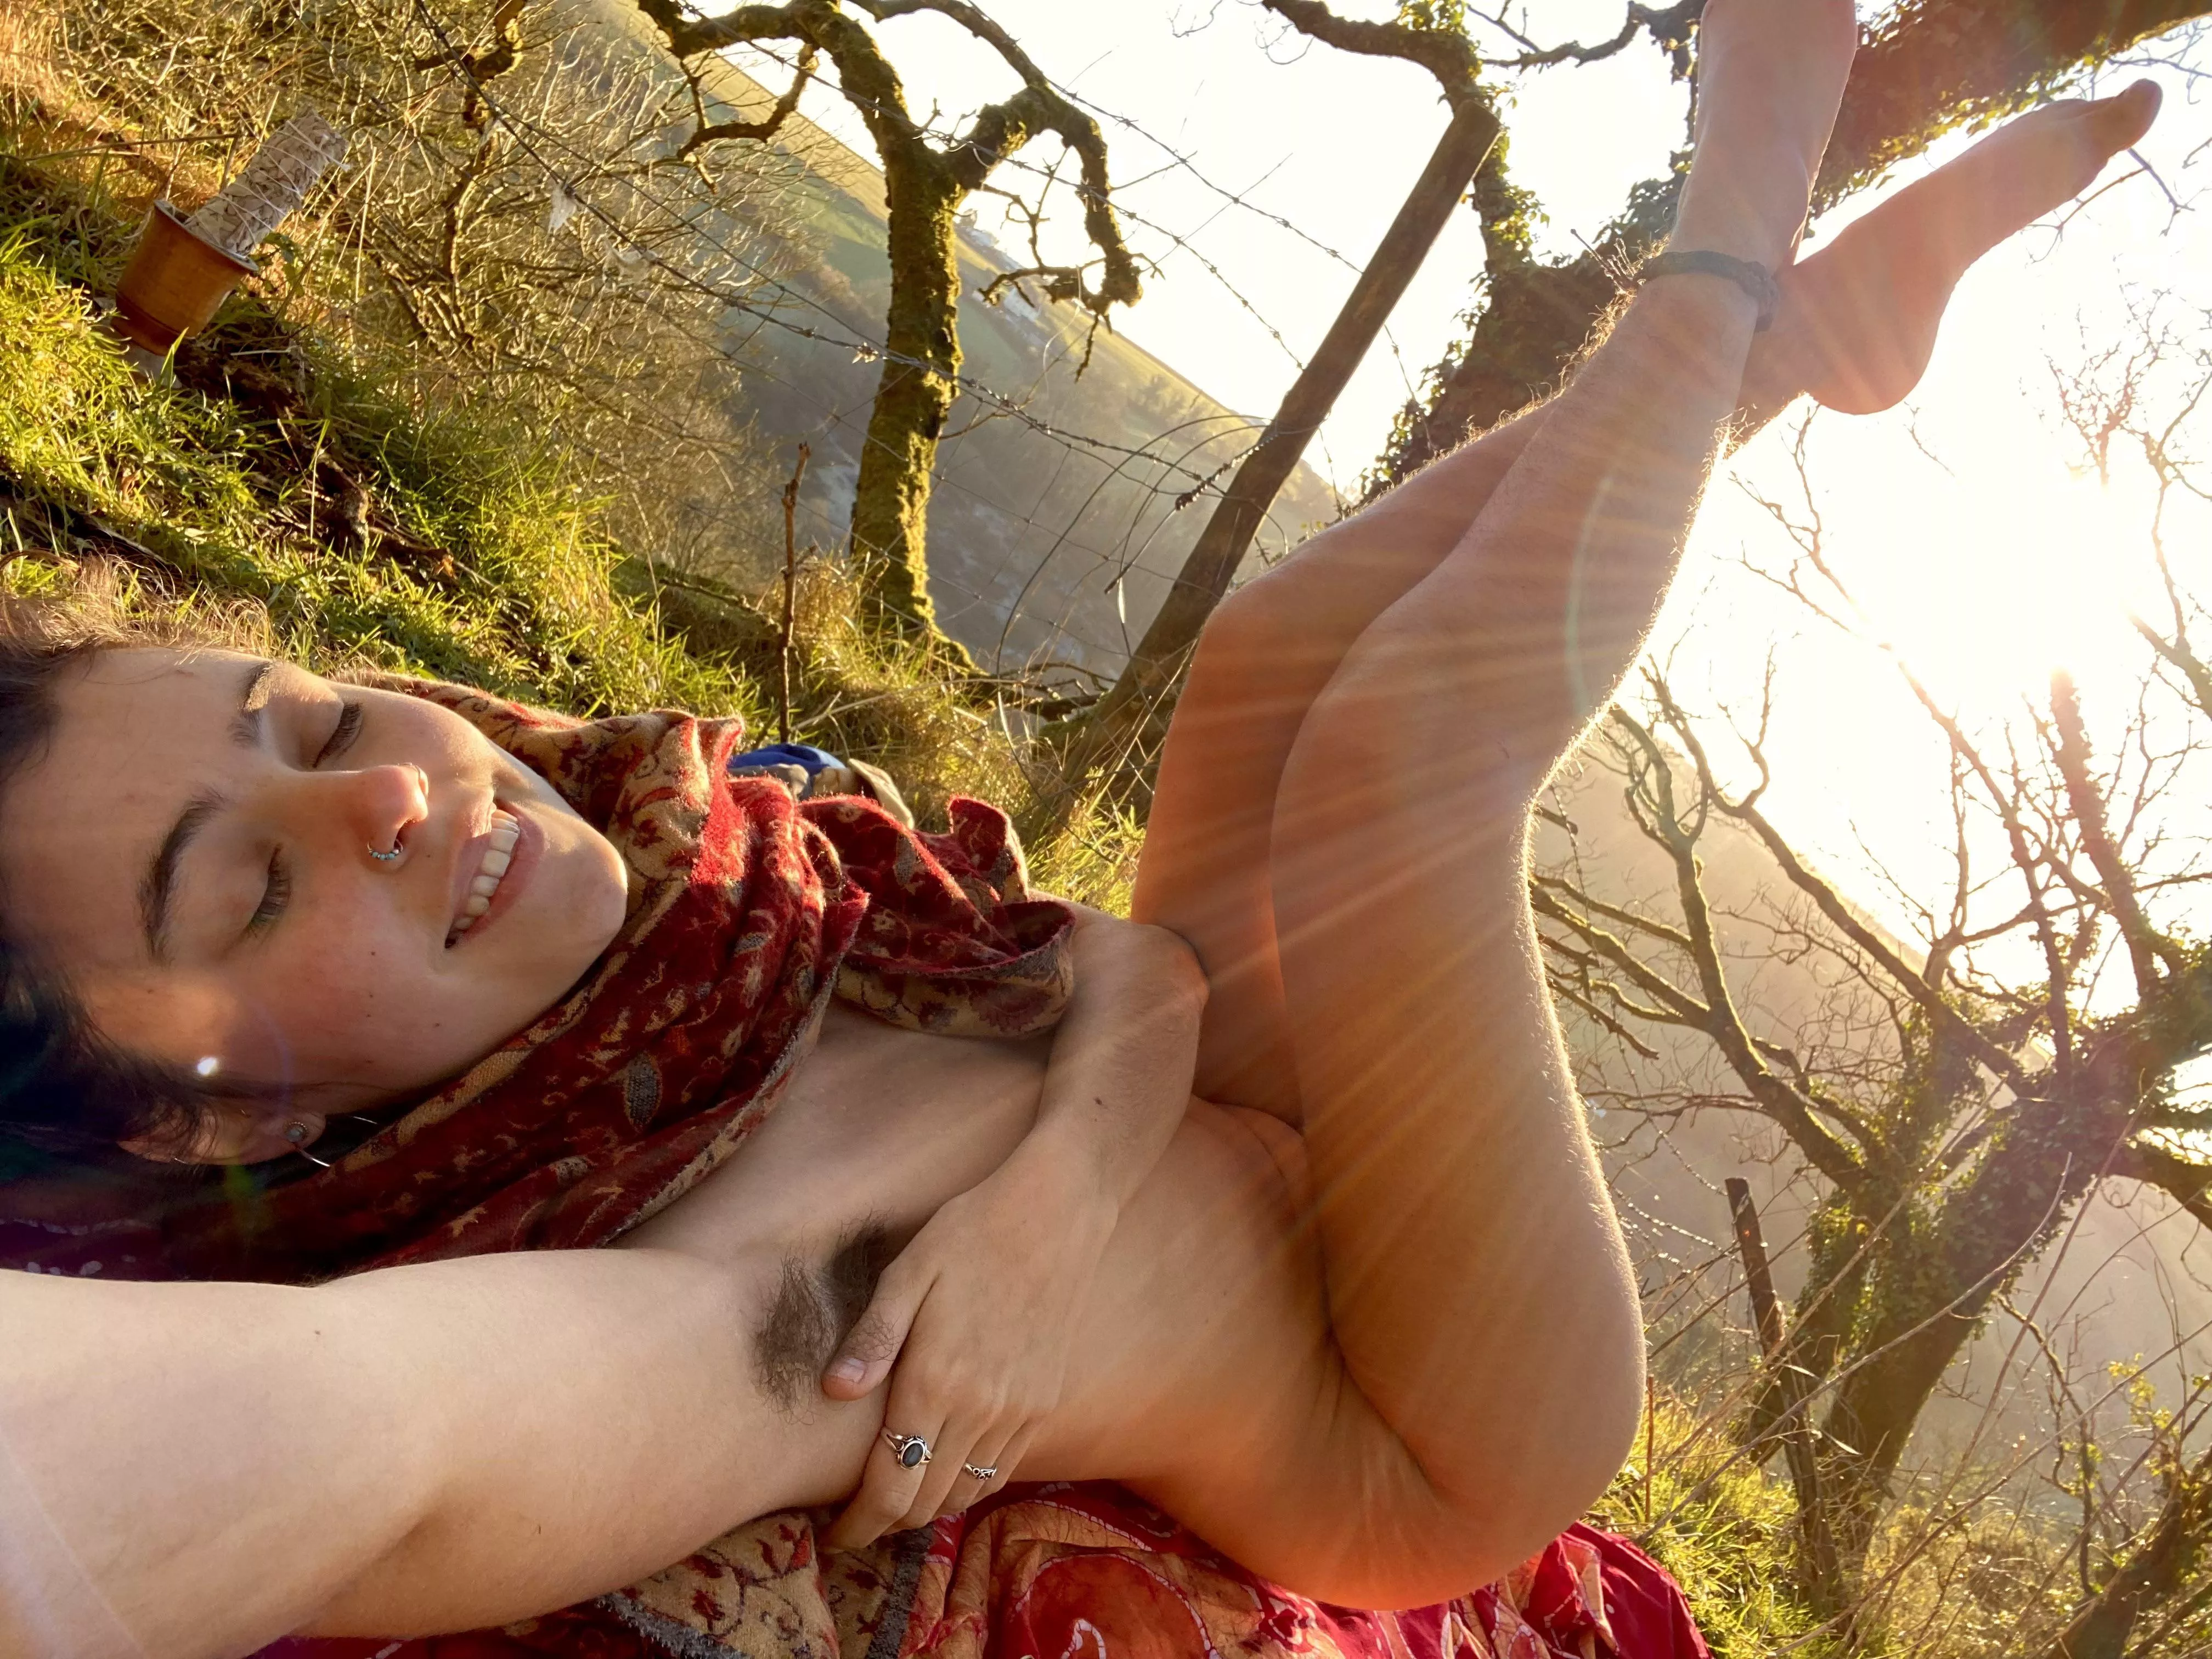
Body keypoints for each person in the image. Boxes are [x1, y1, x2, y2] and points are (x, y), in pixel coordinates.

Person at [0, 5, 2162, 1652]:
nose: (381, 786)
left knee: (1270, 671)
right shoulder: (692, 1278)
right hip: (1424, 1412)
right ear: (193, 1114)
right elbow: (373, 1435)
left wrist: (1071, 1175)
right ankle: (1741, 221)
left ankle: (1784, 352)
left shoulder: (670, 863)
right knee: (1411, 758)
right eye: (252, 879)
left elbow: (1115, 963)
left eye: (299, 714)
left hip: (1244, 1098)